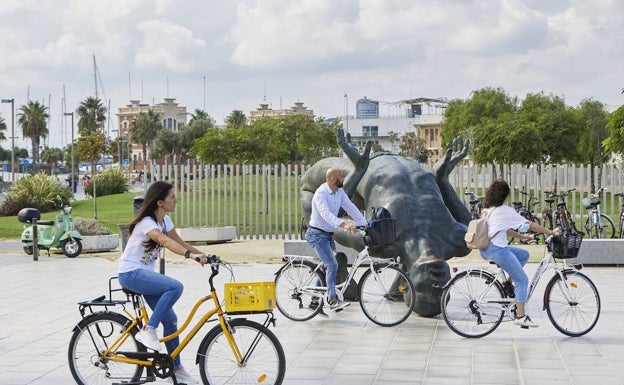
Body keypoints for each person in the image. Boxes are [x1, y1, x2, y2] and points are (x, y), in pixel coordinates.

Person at [118, 181, 207, 384]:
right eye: (172, 197)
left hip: (143, 275)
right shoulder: (147, 223)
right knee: (174, 286)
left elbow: (181, 242)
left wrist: (204, 255)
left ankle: (175, 368)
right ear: (160, 202)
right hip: (131, 273)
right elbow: (165, 241)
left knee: (171, 320)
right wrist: (189, 256)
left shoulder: (165, 221)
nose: (176, 200)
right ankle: (148, 330)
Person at [480, 179, 562, 328]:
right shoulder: (504, 210)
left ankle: (507, 283)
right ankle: (521, 315)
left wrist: (523, 237)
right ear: (505, 195)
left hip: (486, 249)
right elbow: (529, 224)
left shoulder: (488, 209)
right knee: (522, 280)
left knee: (524, 255)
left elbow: (504, 229)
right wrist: (550, 231)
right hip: (498, 250)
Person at [306, 167, 368, 312]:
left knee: (325, 266)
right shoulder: (321, 194)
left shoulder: (339, 192)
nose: (344, 179)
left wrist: (363, 223)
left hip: (328, 235)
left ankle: (314, 301)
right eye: (341, 177)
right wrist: (344, 225)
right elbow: (326, 214)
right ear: (334, 179)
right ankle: (332, 299)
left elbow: (350, 206)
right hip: (317, 234)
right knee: (332, 265)